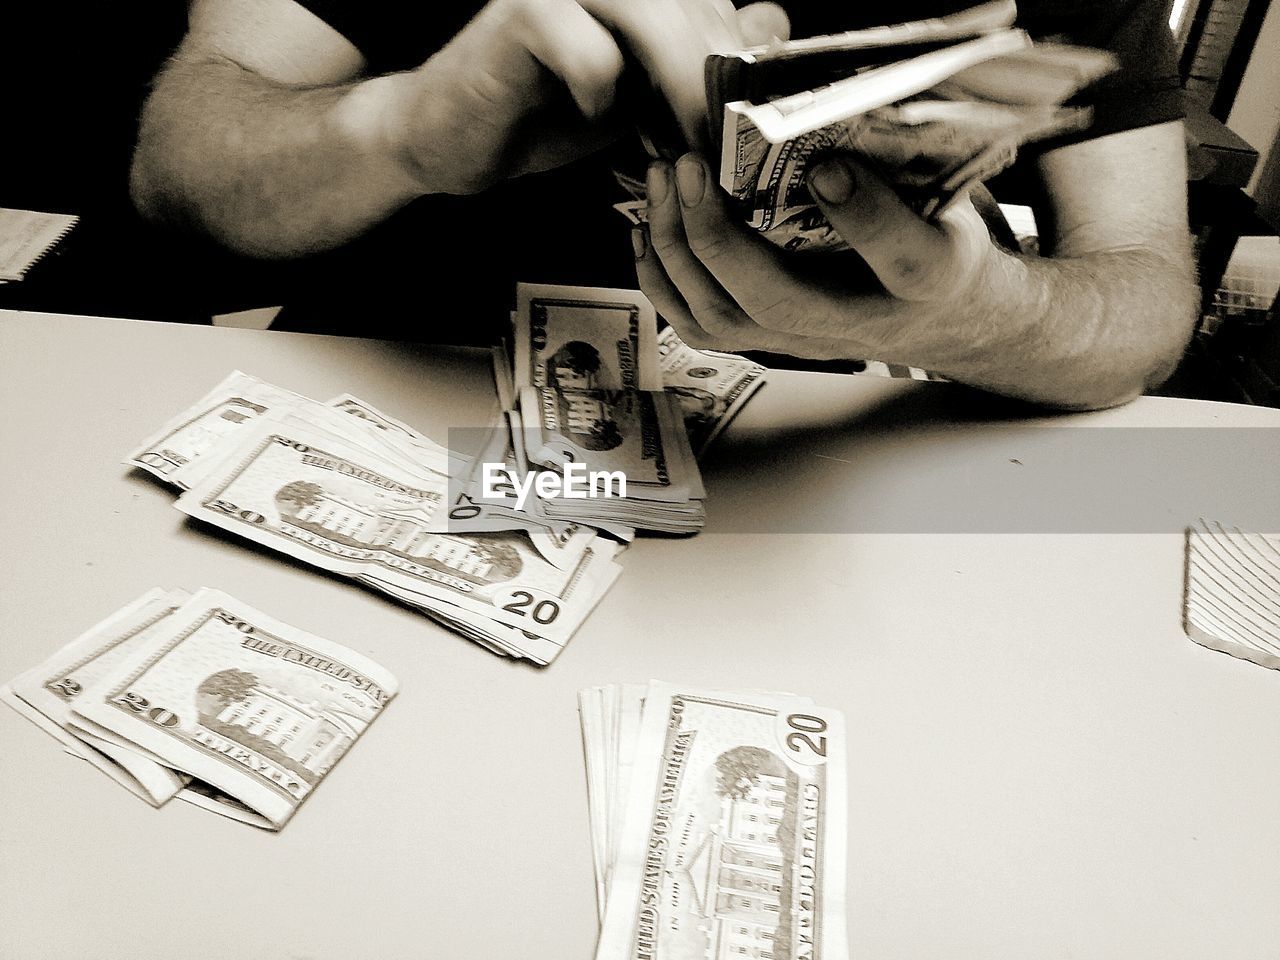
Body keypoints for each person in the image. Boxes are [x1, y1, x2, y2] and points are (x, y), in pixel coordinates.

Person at [130, 0, 1195, 410]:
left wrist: (978, 315)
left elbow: (1143, 301)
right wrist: (400, 129)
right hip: (396, 426)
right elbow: (177, 167)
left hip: (816, 490)